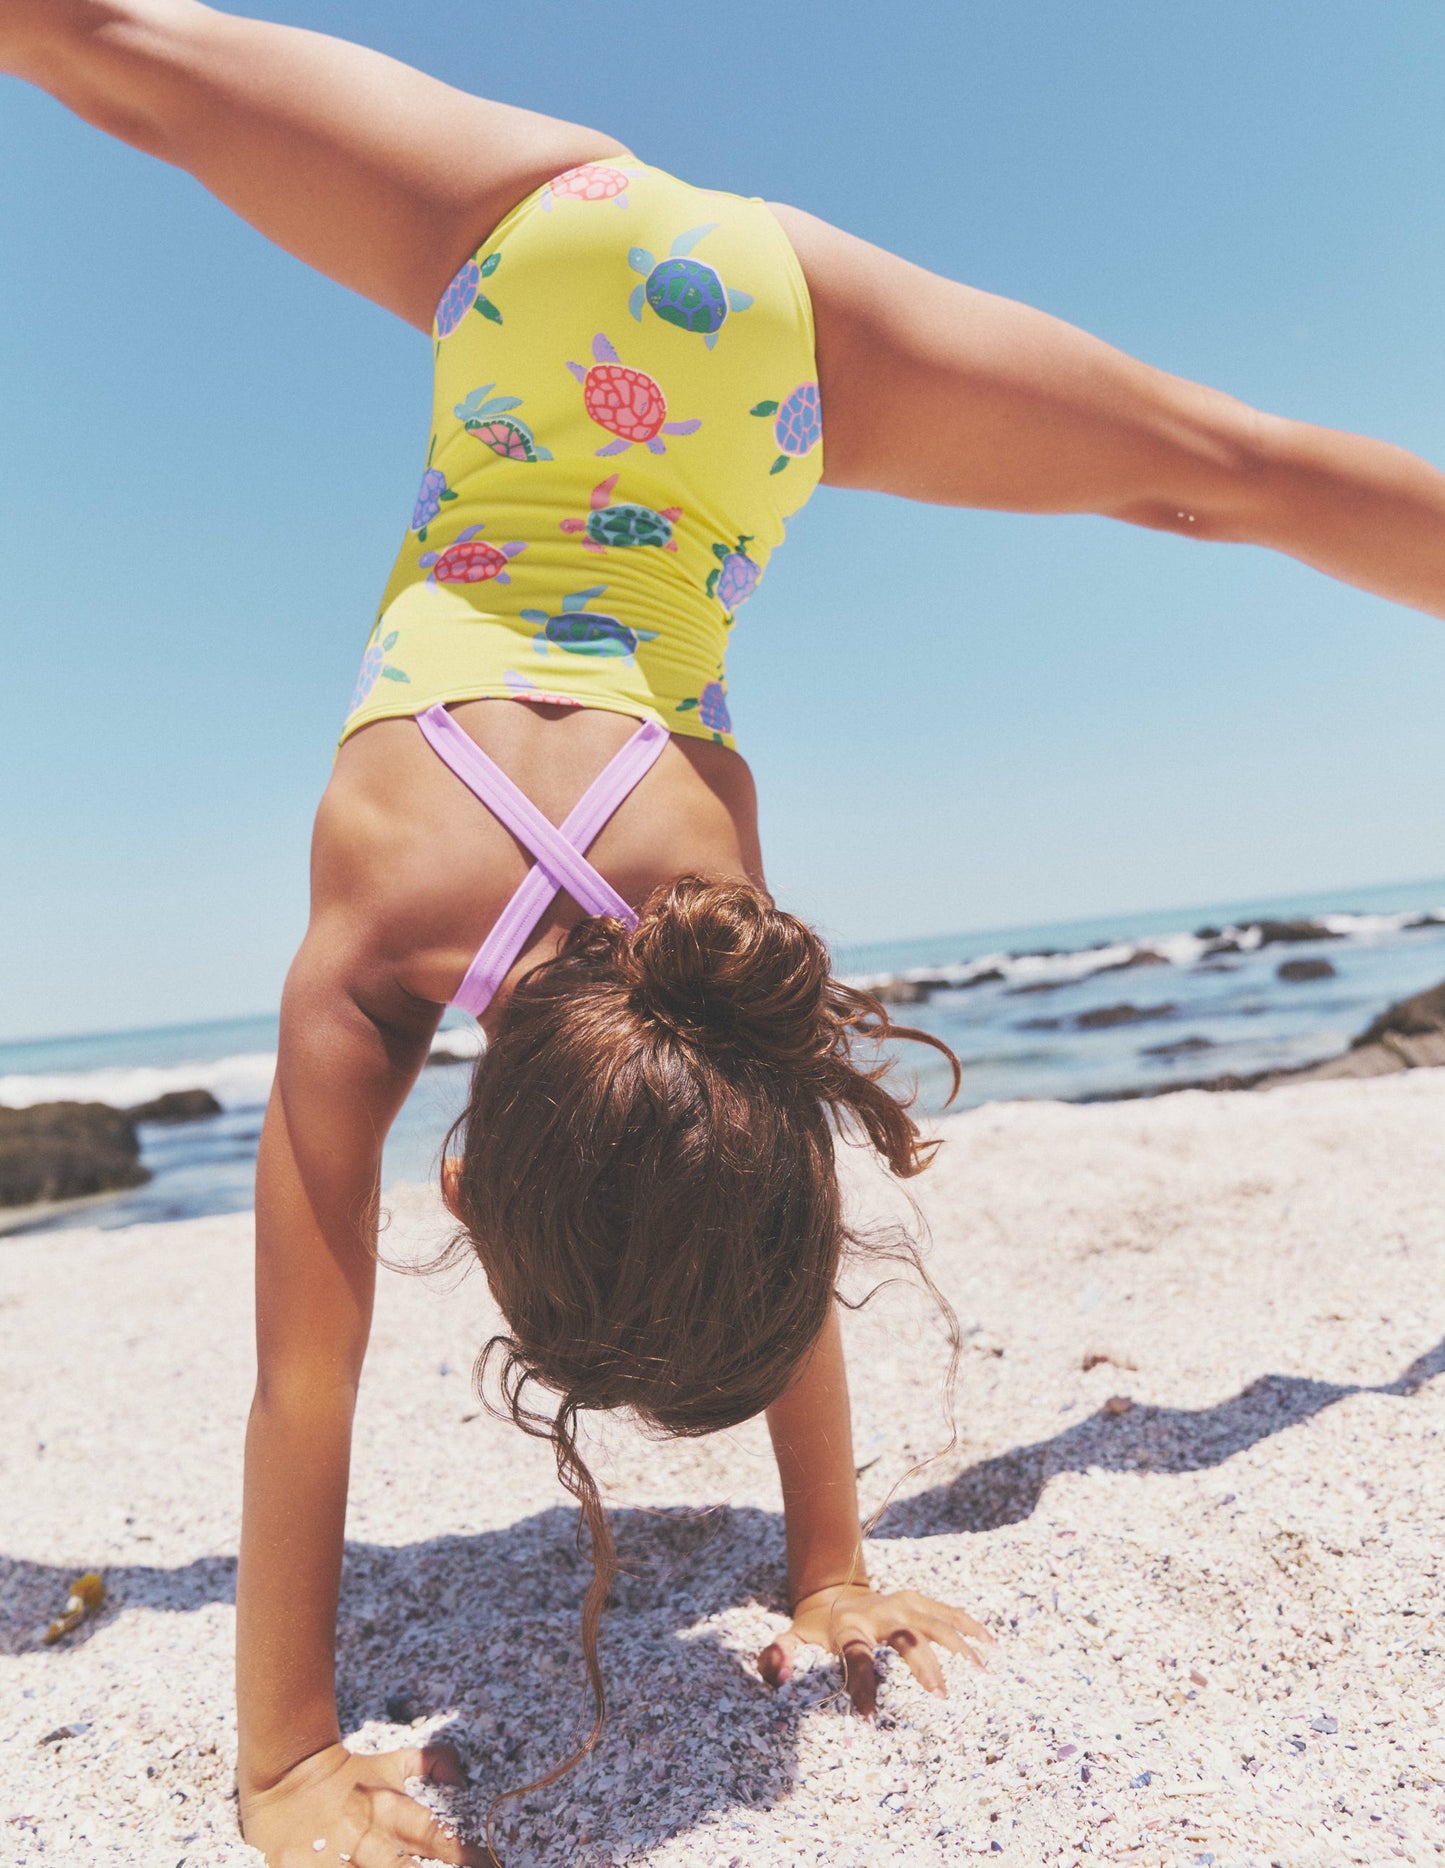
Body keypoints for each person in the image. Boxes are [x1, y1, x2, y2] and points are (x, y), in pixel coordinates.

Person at [8, 5, 1445, 1863]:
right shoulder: (369, 935)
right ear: (463, 1176)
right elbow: (309, 1371)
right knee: (108, 48)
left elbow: (749, 1171)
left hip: (779, 345)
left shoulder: (708, 920)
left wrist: (827, 1565)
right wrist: (278, 1751)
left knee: (1204, 472)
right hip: (522, 244)